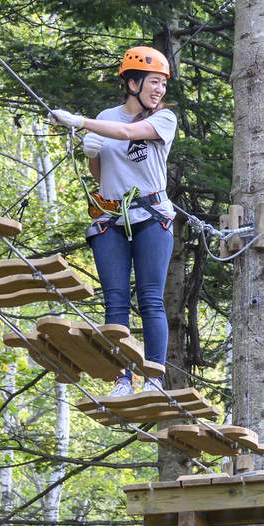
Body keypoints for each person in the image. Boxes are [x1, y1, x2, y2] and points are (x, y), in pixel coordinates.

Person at [50, 46, 177, 397]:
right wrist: (91, 152)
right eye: (153, 82)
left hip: (151, 215)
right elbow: (101, 174)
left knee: (150, 297)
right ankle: (123, 377)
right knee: (115, 300)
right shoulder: (108, 115)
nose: (159, 90)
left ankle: (154, 376)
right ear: (133, 82)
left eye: (162, 84)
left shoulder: (164, 119)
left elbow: (125, 135)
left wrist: (80, 122)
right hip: (110, 217)